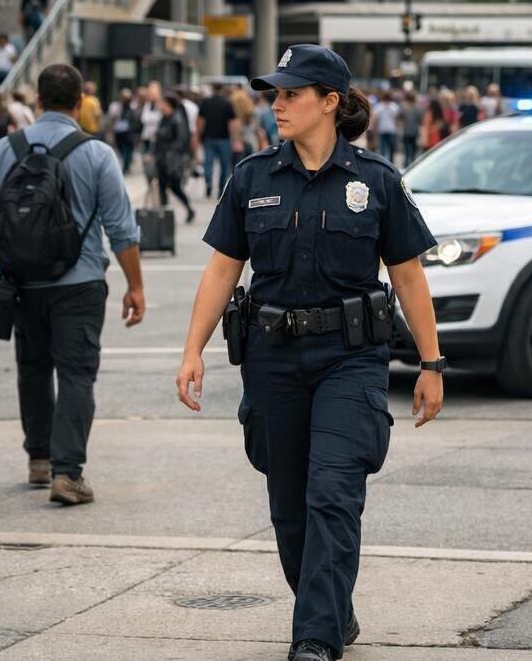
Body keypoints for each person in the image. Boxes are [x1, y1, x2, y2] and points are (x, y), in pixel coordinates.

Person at [174, 44, 445, 661]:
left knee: (333, 492)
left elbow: (408, 276)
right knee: (289, 504)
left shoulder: (376, 181)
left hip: (350, 359)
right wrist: (192, 350)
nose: (278, 105)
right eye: (275, 94)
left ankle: (315, 637)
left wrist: (431, 365)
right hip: (272, 358)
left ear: (329, 102)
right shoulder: (251, 178)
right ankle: (330, 608)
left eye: (291, 94)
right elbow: (222, 271)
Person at [0, 63, 144, 505]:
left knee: (32, 369)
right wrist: (135, 286)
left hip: (23, 283)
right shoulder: (97, 153)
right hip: (80, 282)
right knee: (76, 374)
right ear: (78, 104)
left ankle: (39, 459)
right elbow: (122, 230)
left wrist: (4, 267)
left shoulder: (5, 149)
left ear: (37, 101)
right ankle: (68, 474)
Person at [153, 91, 195, 224]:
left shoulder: (177, 119)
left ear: (169, 104)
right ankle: (164, 216)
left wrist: (171, 153)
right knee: (161, 187)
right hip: (161, 159)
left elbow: (182, 140)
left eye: (162, 103)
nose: (160, 106)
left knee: (175, 186)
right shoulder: (163, 119)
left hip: (172, 160)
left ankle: (189, 208)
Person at [197, 84, 238, 199]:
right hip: (224, 138)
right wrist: (234, 138)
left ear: (213, 89)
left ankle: (208, 183)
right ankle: (221, 189)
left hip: (208, 138)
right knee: (224, 165)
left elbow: (200, 121)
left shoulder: (206, 102)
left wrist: (199, 135)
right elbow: (233, 123)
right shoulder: (227, 103)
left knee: (208, 163)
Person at [371, 90, 399, 161]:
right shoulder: (394, 107)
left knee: (382, 150)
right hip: (392, 130)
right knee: (391, 150)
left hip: (382, 130)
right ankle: (391, 163)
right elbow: (397, 120)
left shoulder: (379, 106)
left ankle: (383, 163)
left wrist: (374, 130)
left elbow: (375, 120)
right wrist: (398, 129)